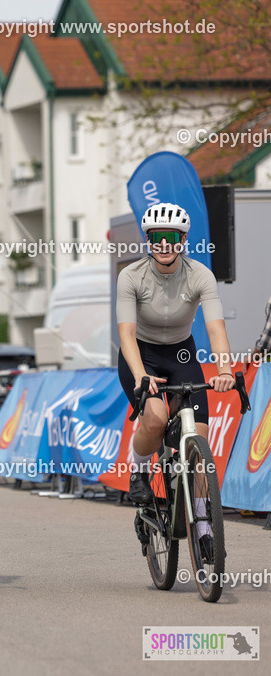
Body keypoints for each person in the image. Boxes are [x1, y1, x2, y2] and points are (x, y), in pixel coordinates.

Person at [116, 202, 235, 562]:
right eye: (157, 237)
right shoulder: (131, 276)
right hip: (141, 354)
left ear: (183, 239)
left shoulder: (200, 274)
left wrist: (225, 369)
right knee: (153, 417)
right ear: (148, 239)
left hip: (182, 354)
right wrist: (141, 376)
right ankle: (138, 472)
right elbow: (126, 333)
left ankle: (201, 528)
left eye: (171, 237)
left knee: (197, 437)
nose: (164, 244)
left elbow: (215, 328)